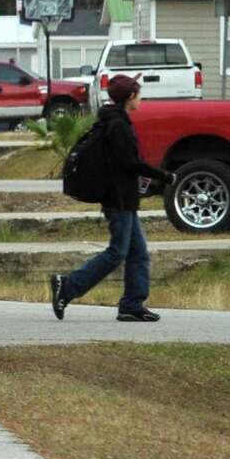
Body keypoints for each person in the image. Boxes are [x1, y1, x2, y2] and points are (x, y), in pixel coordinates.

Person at [50, 75, 175, 322]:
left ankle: (131, 304)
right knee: (117, 252)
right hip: (117, 199)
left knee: (138, 252)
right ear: (130, 97)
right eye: (139, 94)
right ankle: (67, 286)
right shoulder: (117, 125)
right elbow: (129, 163)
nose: (141, 99)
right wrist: (165, 176)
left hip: (124, 197)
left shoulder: (115, 120)